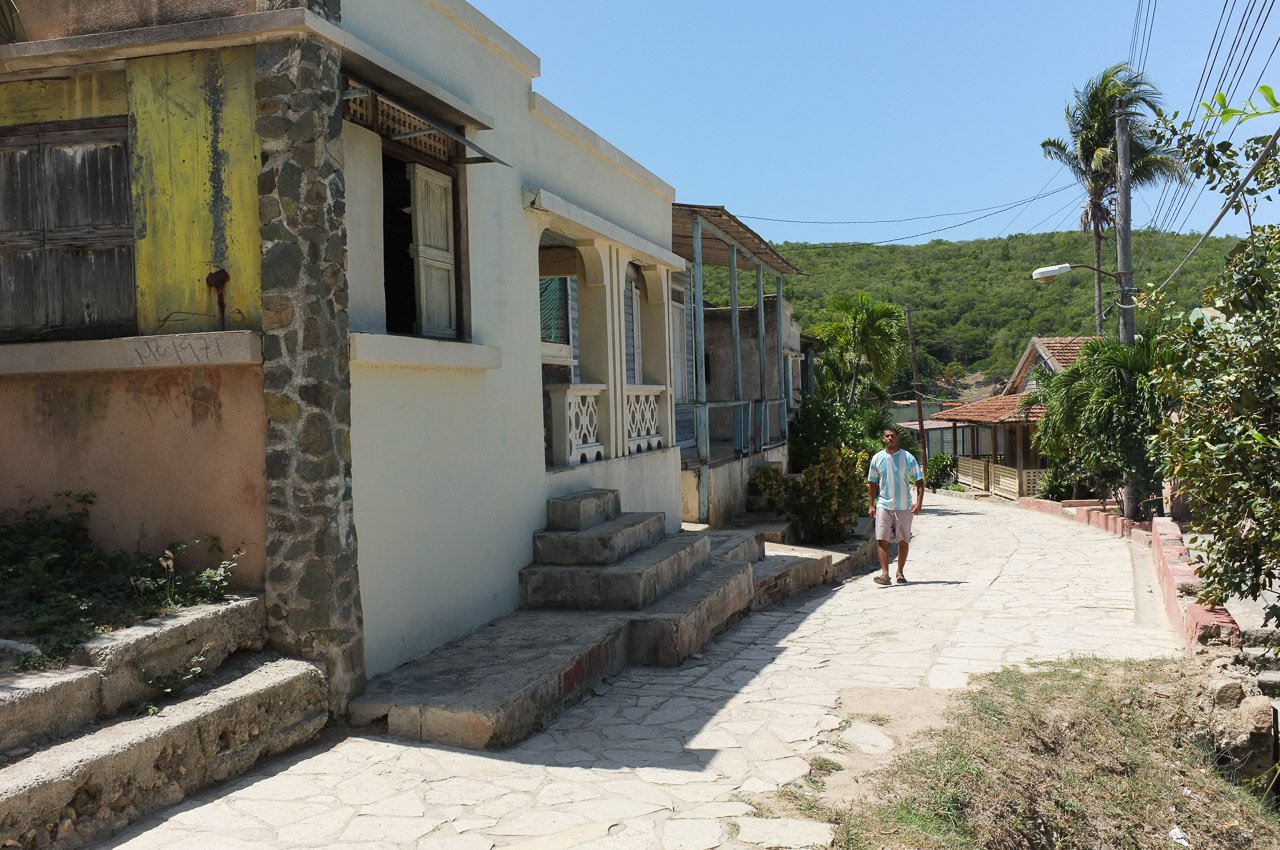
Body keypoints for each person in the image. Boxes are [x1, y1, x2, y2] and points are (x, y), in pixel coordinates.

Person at [866, 427, 924, 586]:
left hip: (903, 506)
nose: (889, 438)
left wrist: (919, 502)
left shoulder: (907, 457)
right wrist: (871, 505)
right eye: (887, 436)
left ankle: (900, 572)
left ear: (897, 439)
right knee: (881, 539)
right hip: (883, 504)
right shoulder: (877, 458)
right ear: (883, 439)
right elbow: (872, 483)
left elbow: (919, 481)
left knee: (903, 540)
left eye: (892, 436)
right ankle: (885, 574)